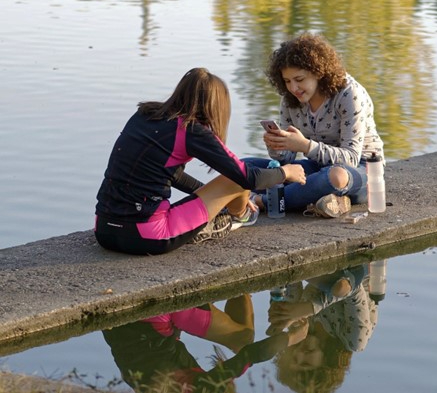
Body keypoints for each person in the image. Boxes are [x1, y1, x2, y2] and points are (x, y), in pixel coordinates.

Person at [94, 68, 306, 255]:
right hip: (149, 236)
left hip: (103, 229)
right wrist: (287, 172)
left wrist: (216, 198)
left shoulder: (144, 114)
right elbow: (248, 178)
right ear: (215, 107)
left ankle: (224, 211)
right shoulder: (192, 130)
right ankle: (239, 217)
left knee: (234, 181)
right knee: (236, 181)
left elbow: (171, 174)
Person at [245, 32, 384, 218]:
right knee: (244, 166)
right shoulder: (290, 99)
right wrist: (277, 146)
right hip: (315, 166)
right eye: (287, 81)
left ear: (318, 72)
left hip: (361, 169)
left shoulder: (349, 94)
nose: (293, 88)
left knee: (336, 176)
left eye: (299, 80)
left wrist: (304, 146)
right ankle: (325, 200)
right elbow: (286, 162)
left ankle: (264, 201)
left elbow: (350, 158)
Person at [103, 294, 309, 393]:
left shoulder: (204, 390)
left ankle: (240, 286)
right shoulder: (145, 388)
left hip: (157, 315)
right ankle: (239, 291)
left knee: (243, 341)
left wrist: (292, 339)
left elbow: (254, 354)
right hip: (116, 325)